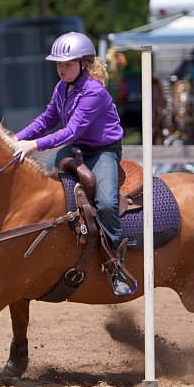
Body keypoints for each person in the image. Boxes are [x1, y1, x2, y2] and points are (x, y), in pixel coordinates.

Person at [14, 32, 134, 297]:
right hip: (77, 149)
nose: (61, 69)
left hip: (102, 152)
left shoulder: (94, 92)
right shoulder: (61, 88)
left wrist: (33, 145)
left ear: (84, 63)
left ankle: (115, 264)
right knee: (42, 185)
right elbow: (46, 119)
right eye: (58, 64)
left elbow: (70, 130)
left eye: (67, 64)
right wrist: (14, 139)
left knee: (105, 202)